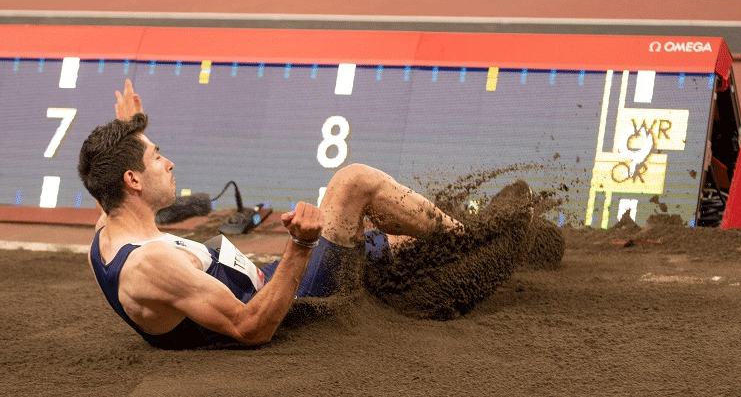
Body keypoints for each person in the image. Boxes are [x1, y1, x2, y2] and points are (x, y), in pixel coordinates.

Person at [79, 79, 472, 349]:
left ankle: (456, 246)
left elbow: (104, 182)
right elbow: (250, 328)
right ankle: (477, 244)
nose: (169, 163)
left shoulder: (108, 230)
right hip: (293, 303)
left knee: (403, 242)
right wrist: (301, 246)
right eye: (157, 156)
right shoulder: (152, 265)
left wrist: (127, 127)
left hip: (263, 275)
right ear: (132, 180)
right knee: (353, 182)